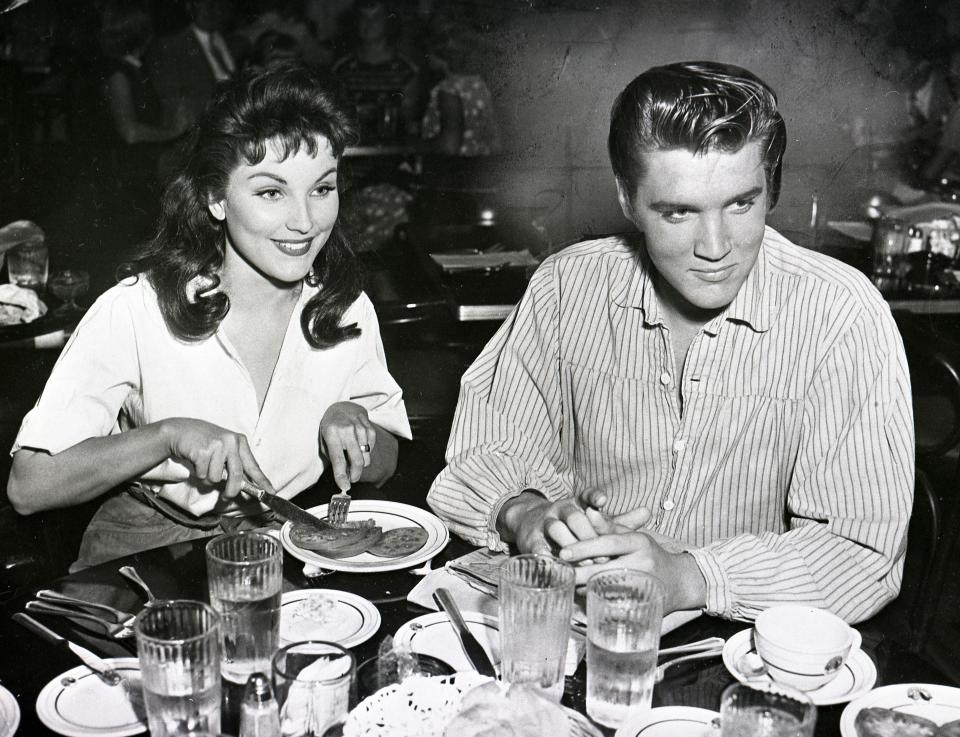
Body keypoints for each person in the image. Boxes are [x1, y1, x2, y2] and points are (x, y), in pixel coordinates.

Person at [427, 61, 914, 624]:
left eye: (741, 203)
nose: (716, 247)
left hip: (737, 648)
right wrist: (527, 514)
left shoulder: (841, 313)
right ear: (627, 199)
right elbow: (482, 450)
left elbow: (860, 553)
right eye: (678, 212)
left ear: (771, 188)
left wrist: (687, 576)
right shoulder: (567, 285)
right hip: (574, 629)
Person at [7, 62, 411, 571]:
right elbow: (29, 485)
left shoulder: (343, 307)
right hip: (151, 555)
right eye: (271, 192)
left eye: (321, 189)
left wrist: (352, 425)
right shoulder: (136, 308)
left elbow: (386, 461)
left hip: (286, 549)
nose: (305, 221)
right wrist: (167, 436)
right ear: (215, 197)